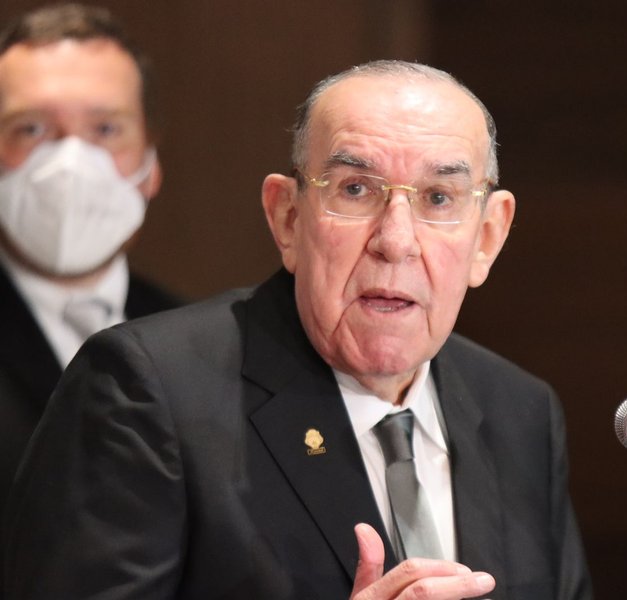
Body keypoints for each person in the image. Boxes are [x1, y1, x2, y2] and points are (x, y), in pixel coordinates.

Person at [3, 60, 592, 599]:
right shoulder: (148, 393)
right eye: (356, 190)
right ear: (287, 217)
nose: (396, 241)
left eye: (439, 198)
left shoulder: (521, 412)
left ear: (487, 237)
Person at [0, 1, 178, 580]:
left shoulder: (201, 345)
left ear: (150, 163)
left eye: (105, 129)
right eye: (30, 129)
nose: (71, 162)